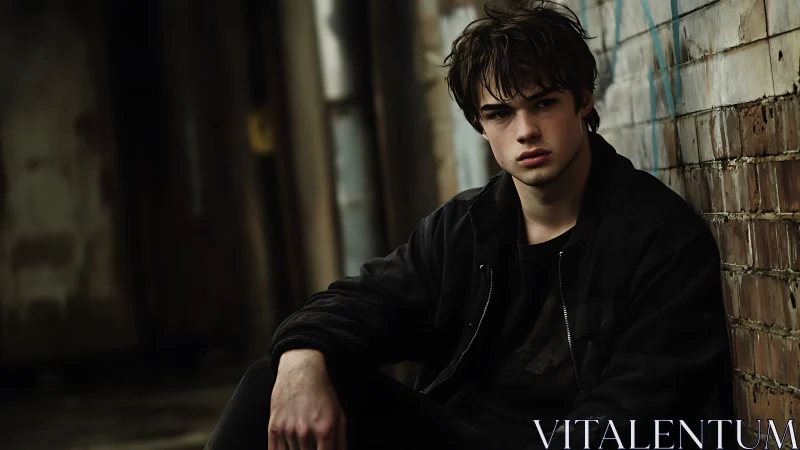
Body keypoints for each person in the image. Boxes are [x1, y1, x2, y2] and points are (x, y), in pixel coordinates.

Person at [206, 1, 733, 449]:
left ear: (583, 101)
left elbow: (639, 409)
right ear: (480, 126)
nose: (526, 130)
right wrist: (301, 359)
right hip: (458, 435)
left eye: (544, 103)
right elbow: (361, 303)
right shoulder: (466, 227)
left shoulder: (658, 238)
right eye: (501, 113)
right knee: (271, 382)